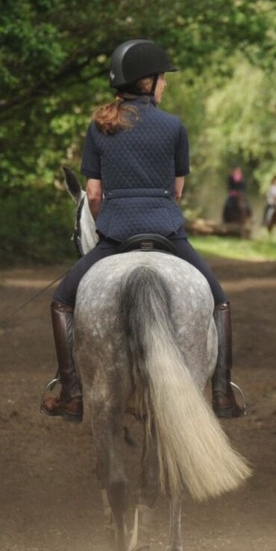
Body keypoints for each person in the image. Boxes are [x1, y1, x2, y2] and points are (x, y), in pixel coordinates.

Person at [40, 39, 245, 422]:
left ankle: (71, 392)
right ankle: (221, 393)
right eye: (163, 78)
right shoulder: (173, 127)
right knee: (219, 299)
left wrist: (107, 228)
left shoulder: (99, 127)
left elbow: (94, 194)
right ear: (147, 82)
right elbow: (178, 190)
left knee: (62, 299)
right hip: (168, 232)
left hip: (116, 234)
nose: (165, 85)